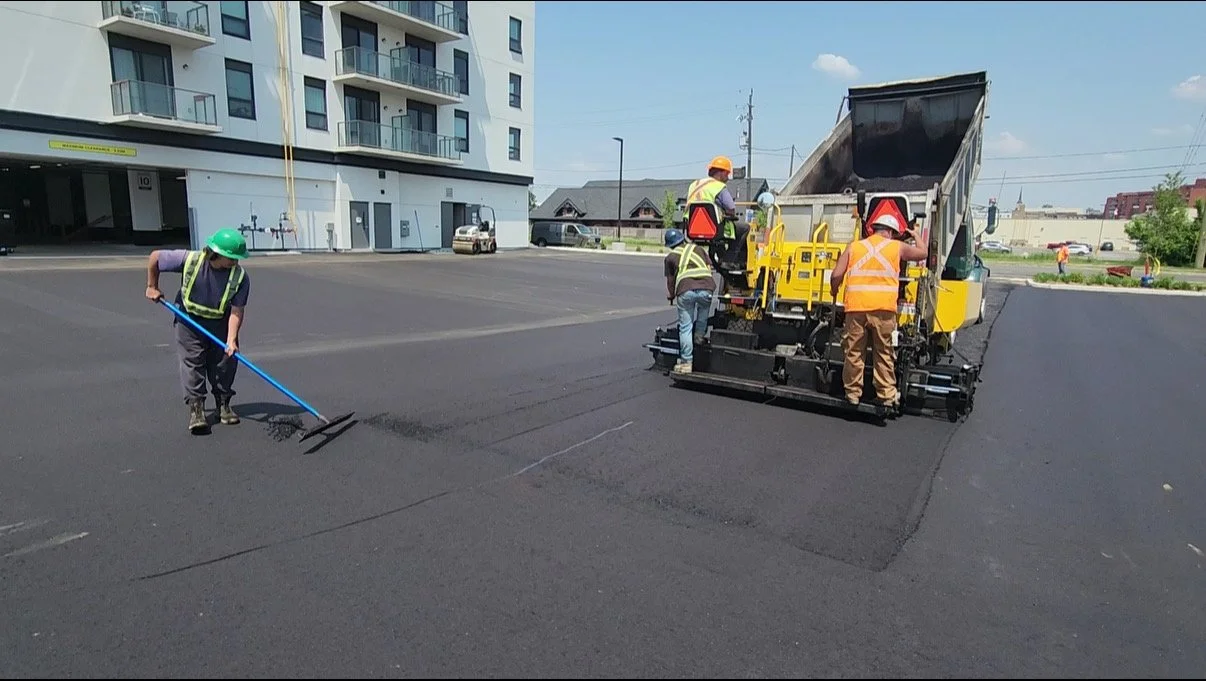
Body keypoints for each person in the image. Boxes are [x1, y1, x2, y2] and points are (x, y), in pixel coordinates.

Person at [145, 229, 251, 434]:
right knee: (193, 362)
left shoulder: (240, 277)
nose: (235, 262)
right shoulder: (190, 260)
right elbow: (155, 257)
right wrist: (152, 286)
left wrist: (231, 339)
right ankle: (197, 409)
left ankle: (223, 404)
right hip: (189, 321)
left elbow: (237, 311)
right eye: (232, 258)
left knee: (225, 363)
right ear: (216, 253)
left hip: (219, 322)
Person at [829, 213, 928, 408]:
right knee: (883, 353)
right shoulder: (896, 247)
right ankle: (886, 395)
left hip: (856, 308)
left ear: (873, 229)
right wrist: (916, 234)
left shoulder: (854, 247)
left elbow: (836, 275)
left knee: (853, 353)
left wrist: (834, 290)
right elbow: (922, 253)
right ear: (890, 232)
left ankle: (853, 394)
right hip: (884, 310)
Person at [663, 227, 717, 374]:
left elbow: (670, 281)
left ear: (670, 245)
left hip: (685, 289)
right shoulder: (698, 249)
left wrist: (671, 295)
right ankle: (699, 337)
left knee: (685, 327)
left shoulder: (670, 258)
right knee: (703, 313)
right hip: (707, 287)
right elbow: (709, 268)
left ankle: (687, 363)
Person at [684, 156, 751, 270]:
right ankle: (729, 261)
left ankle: (721, 256)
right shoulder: (719, 186)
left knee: (720, 232)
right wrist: (728, 213)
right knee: (744, 228)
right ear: (721, 173)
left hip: (692, 228)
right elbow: (731, 208)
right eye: (727, 174)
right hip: (713, 229)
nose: (728, 178)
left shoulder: (694, 184)